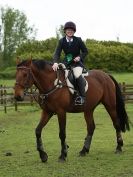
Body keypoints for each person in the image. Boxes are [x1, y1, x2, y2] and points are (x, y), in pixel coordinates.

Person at [52, 21, 88, 105]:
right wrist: (55, 62)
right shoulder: (61, 41)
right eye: (68, 30)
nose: (70, 31)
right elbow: (57, 53)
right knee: (58, 74)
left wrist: (79, 57)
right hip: (66, 62)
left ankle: (82, 97)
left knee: (77, 75)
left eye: (71, 30)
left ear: (74, 31)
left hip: (77, 63)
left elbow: (85, 51)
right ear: (65, 31)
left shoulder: (78, 40)